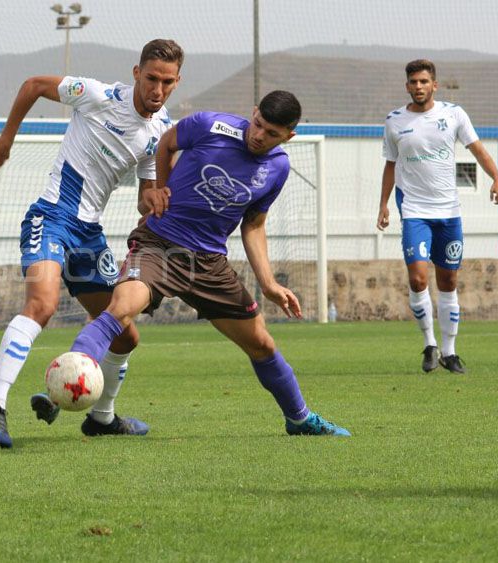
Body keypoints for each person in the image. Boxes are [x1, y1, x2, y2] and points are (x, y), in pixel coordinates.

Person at [61, 91, 350, 437]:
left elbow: (254, 225)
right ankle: (73, 366)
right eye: (258, 124)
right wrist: (160, 190)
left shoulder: (278, 167)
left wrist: (269, 283)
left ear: (289, 136)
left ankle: (300, 419)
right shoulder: (209, 125)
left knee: (262, 345)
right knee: (122, 307)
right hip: (160, 247)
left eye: (272, 133)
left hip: (210, 264)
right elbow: (166, 143)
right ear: (253, 112)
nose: (260, 136)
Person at [0, 39, 183, 448]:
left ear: (177, 82)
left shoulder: (158, 132)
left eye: (167, 82)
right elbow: (33, 84)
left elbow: (145, 193)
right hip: (50, 218)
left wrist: (153, 199)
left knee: (125, 335)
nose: (158, 89)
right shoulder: (98, 96)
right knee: (42, 305)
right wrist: (5, 141)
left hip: (88, 235)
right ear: (137, 73)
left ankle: (102, 418)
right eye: (152, 78)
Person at [377, 59, 498, 374]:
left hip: (449, 212)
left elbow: (477, 149)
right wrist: (383, 204)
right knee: (418, 277)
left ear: (434, 85)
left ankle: (449, 352)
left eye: (424, 81)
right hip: (415, 211)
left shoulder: (454, 114)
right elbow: (391, 165)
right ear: (407, 86)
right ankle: (430, 344)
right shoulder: (394, 121)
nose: (418, 87)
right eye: (413, 82)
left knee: (448, 280)